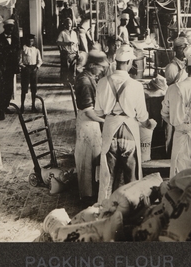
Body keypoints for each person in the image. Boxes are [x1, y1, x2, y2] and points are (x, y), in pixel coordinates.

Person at [94, 44, 156, 201]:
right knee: (132, 179)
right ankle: (132, 209)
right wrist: (150, 124)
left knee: (108, 177)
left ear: (116, 61)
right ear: (129, 62)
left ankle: (104, 210)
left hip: (110, 131)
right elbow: (142, 117)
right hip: (129, 132)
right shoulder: (135, 86)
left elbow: (99, 112)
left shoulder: (102, 82)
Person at [74, 49, 108, 204]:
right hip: (88, 124)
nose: (101, 70)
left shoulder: (88, 77)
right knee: (87, 161)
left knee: (91, 159)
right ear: (92, 65)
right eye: (100, 67)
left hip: (90, 122)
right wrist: (104, 121)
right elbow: (88, 111)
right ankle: (86, 197)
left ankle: (90, 192)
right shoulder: (85, 82)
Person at [0, 18, 22, 120]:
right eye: (8, 28)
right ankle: (1, 110)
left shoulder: (15, 39)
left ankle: (6, 106)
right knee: (1, 89)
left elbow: (18, 54)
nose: (10, 30)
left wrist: (17, 66)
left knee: (9, 89)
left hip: (11, 68)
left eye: (12, 28)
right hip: (1, 68)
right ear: (4, 28)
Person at [19, 34, 42, 112]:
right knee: (24, 88)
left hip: (33, 69)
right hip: (25, 69)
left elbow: (40, 60)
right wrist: (23, 67)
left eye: (32, 41)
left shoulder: (36, 50)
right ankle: (22, 106)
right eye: (29, 41)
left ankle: (33, 105)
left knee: (34, 88)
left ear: (33, 41)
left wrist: (37, 67)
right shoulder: (23, 49)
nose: (30, 42)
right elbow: (20, 61)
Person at [56, 17, 79, 86]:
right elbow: (58, 42)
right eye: (67, 23)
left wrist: (77, 52)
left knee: (73, 68)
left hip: (73, 53)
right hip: (66, 53)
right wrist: (67, 43)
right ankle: (65, 82)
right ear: (65, 24)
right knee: (65, 68)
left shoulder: (74, 33)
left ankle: (72, 81)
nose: (69, 25)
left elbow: (76, 43)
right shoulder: (62, 33)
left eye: (70, 23)